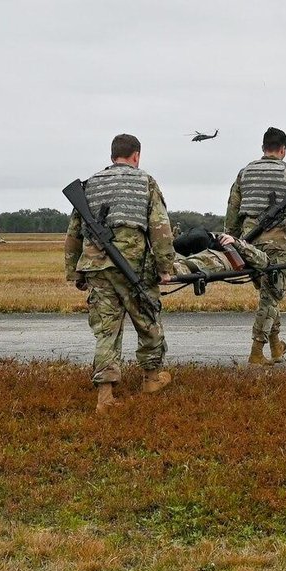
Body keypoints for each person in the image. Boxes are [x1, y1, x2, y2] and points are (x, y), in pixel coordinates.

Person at [62, 133, 174, 412]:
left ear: (112, 156)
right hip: (133, 266)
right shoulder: (145, 181)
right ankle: (151, 378)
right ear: (136, 155)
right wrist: (164, 267)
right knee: (147, 317)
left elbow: (74, 232)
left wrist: (75, 272)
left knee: (106, 329)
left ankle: (105, 396)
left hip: (96, 266)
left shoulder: (90, 185)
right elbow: (160, 228)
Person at [226, 126, 286, 365]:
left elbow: (232, 210)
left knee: (269, 294)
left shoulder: (244, 173)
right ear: (283, 149)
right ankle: (256, 351)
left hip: (248, 243)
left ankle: (275, 346)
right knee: (272, 295)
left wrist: (231, 243)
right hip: (277, 244)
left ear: (263, 148)